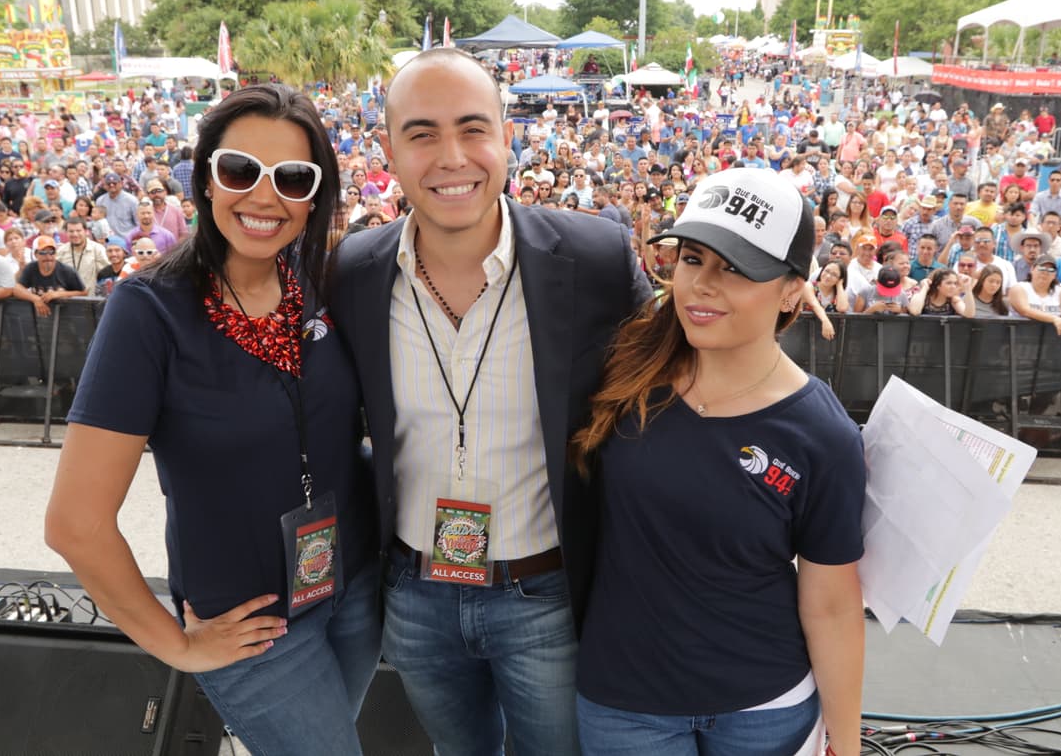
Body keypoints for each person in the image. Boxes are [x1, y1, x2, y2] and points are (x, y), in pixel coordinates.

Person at [330, 48, 651, 756]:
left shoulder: (594, 256)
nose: (452, 157)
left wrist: (766, 305)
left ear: (507, 136)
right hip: (414, 596)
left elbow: (676, 362)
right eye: (421, 133)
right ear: (388, 149)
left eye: (473, 128)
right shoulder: (353, 271)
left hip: (545, 596)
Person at [45, 85, 381, 756]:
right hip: (250, 624)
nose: (264, 196)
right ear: (204, 178)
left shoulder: (323, 281)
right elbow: (75, 524)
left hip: (353, 587)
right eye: (239, 170)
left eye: (291, 178)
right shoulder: (148, 310)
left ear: (315, 194)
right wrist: (177, 644)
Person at [570, 166, 865, 756]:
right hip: (625, 703)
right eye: (692, 258)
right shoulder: (626, 374)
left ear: (791, 290)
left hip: (765, 707)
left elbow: (831, 603)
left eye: (734, 267)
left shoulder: (823, 434)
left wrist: (847, 742)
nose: (702, 284)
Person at [1009, 254, 1061, 336]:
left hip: (1051, 339)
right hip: (1021, 337)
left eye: (1051, 270)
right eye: (1042, 268)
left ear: (1055, 275)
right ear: (1032, 269)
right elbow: (1025, 311)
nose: (1045, 272)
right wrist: (1055, 319)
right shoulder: (1019, 288)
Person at [58, 216, 111, 295]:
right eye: (71, 231)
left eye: (78, 231)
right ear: (66, 232)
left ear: (86, 231)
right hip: (66, 300)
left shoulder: (98, 249)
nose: (75, 234)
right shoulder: (61, 251)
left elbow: (107, 275)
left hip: (90, 300)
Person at [909, 268, 975, 317]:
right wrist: (925, 288)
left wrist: (968, 289)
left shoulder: (953, 300)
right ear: (938, 285)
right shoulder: (923, 297)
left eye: (955, 283)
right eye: (949, 283)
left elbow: (969, 314)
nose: (953, 286)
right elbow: (915, 311)